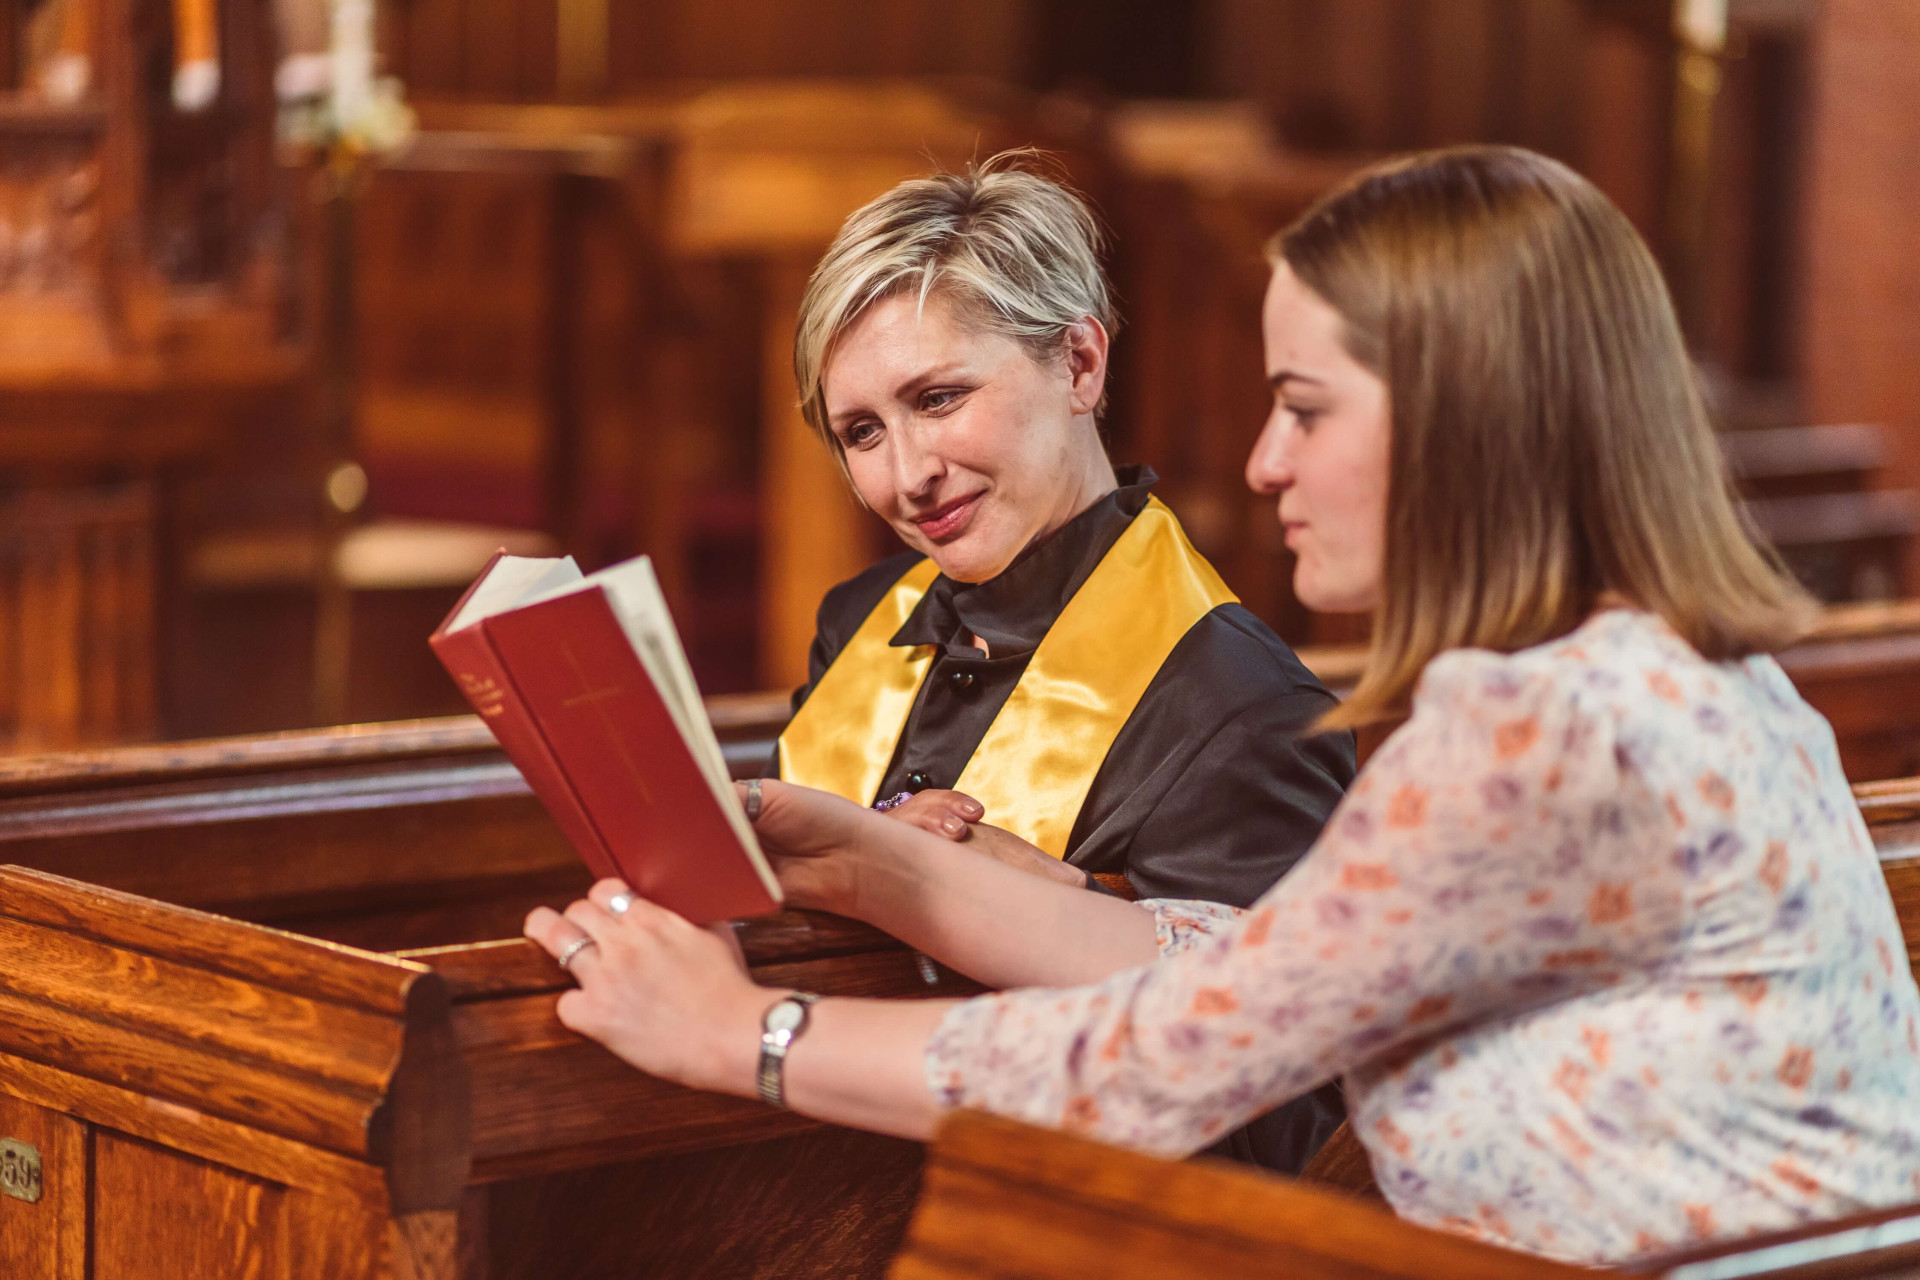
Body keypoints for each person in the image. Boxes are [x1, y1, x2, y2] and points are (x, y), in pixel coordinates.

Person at [527, 146, 1920, 1266]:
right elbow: (1262, 970)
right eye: (859, 431)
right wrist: (894, 869)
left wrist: (742, 1036)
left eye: (1305, 409)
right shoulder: (1700, 680)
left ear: (1470, 411)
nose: (1261, 464)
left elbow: (1157, 1067)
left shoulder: (1533, 735)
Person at [764, 154, 1357, 1171]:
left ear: (1081, 364)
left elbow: (1289, 1122)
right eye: (863, 430)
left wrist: (1076, 912)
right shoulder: (858, 617)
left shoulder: (1237, 703)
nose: (909, 476)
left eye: (940, 397)